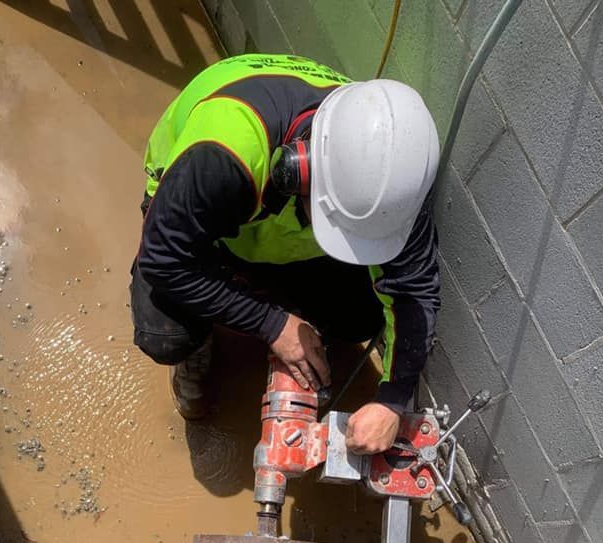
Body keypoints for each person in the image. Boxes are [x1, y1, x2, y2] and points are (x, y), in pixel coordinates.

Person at [131, 54, 440, 455]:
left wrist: (392, 399)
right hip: (207, 232)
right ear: (300, 168)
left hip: (274, 233)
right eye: (338, 224)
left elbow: (414, 291)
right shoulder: (224, 155)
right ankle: (208, 337)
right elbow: (164, 259)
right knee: (166, 336)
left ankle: (290, 319)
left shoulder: (390, 176)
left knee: (360, 316)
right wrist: (271, 322)